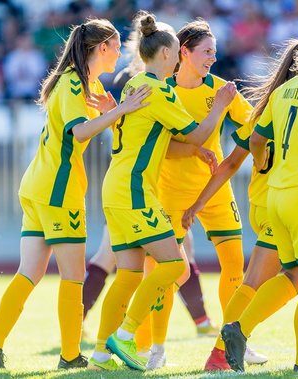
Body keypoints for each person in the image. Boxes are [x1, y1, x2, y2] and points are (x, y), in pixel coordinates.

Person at [0, 18, 151, 370]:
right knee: (73, 278)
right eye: (116, 46)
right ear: (102, 48)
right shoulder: (73, 83)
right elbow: (80, 132)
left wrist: (111, 113)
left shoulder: (84, 83)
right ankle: (71, 356)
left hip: (38, 186)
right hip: (59, 190)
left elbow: (92, 125)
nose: (120, 53)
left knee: (29, 272)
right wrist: (120, 110)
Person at [183, 38, 298, 371]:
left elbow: (245, 150)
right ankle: (229, 350)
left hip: (271, 198)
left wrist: (263, 163)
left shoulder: (277, 99)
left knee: (297, 275)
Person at [88, 11, 236, 371]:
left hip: (115, 187)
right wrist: (219, 106)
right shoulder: (157, 90)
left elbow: (156, 137)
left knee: (127, 274)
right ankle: (125, 336)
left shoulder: (133, 86)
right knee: (173, 264)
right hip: (135, 190)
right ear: (170, 55)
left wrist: (194, 148)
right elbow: (199, 133)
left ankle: (101, 353)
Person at [148, 17, 268, 367]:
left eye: (215, 51)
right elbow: (164, 148)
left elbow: (255, 123)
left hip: (215, 191)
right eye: (206, 51)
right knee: (167, 270)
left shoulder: (221, 89)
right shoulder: (163, 90)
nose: (213, 58)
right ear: (183, 52)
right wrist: (194, 149)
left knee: (234, 264)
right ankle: (156, 348)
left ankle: (233, 341)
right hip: (171, 192)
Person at [82, 227, 219, 338]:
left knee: (108, 256)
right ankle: (129, 334)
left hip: (124, 201)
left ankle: (79, 323)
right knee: (176, 260)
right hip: (144, 205)